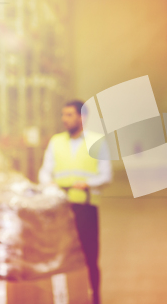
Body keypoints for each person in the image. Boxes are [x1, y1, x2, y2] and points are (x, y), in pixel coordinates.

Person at [39, 100, 112, 304]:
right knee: (60, 254)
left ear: (82, 117)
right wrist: (48, 183)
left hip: (85, 207)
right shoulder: (56, 142)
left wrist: (87, 183)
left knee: (89, 255)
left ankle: (94, 296)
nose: (65, 119)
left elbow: (106, 175)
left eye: (69, 115)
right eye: (63, 115)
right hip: (60, 208)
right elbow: (45, 171)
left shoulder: (97, 142)